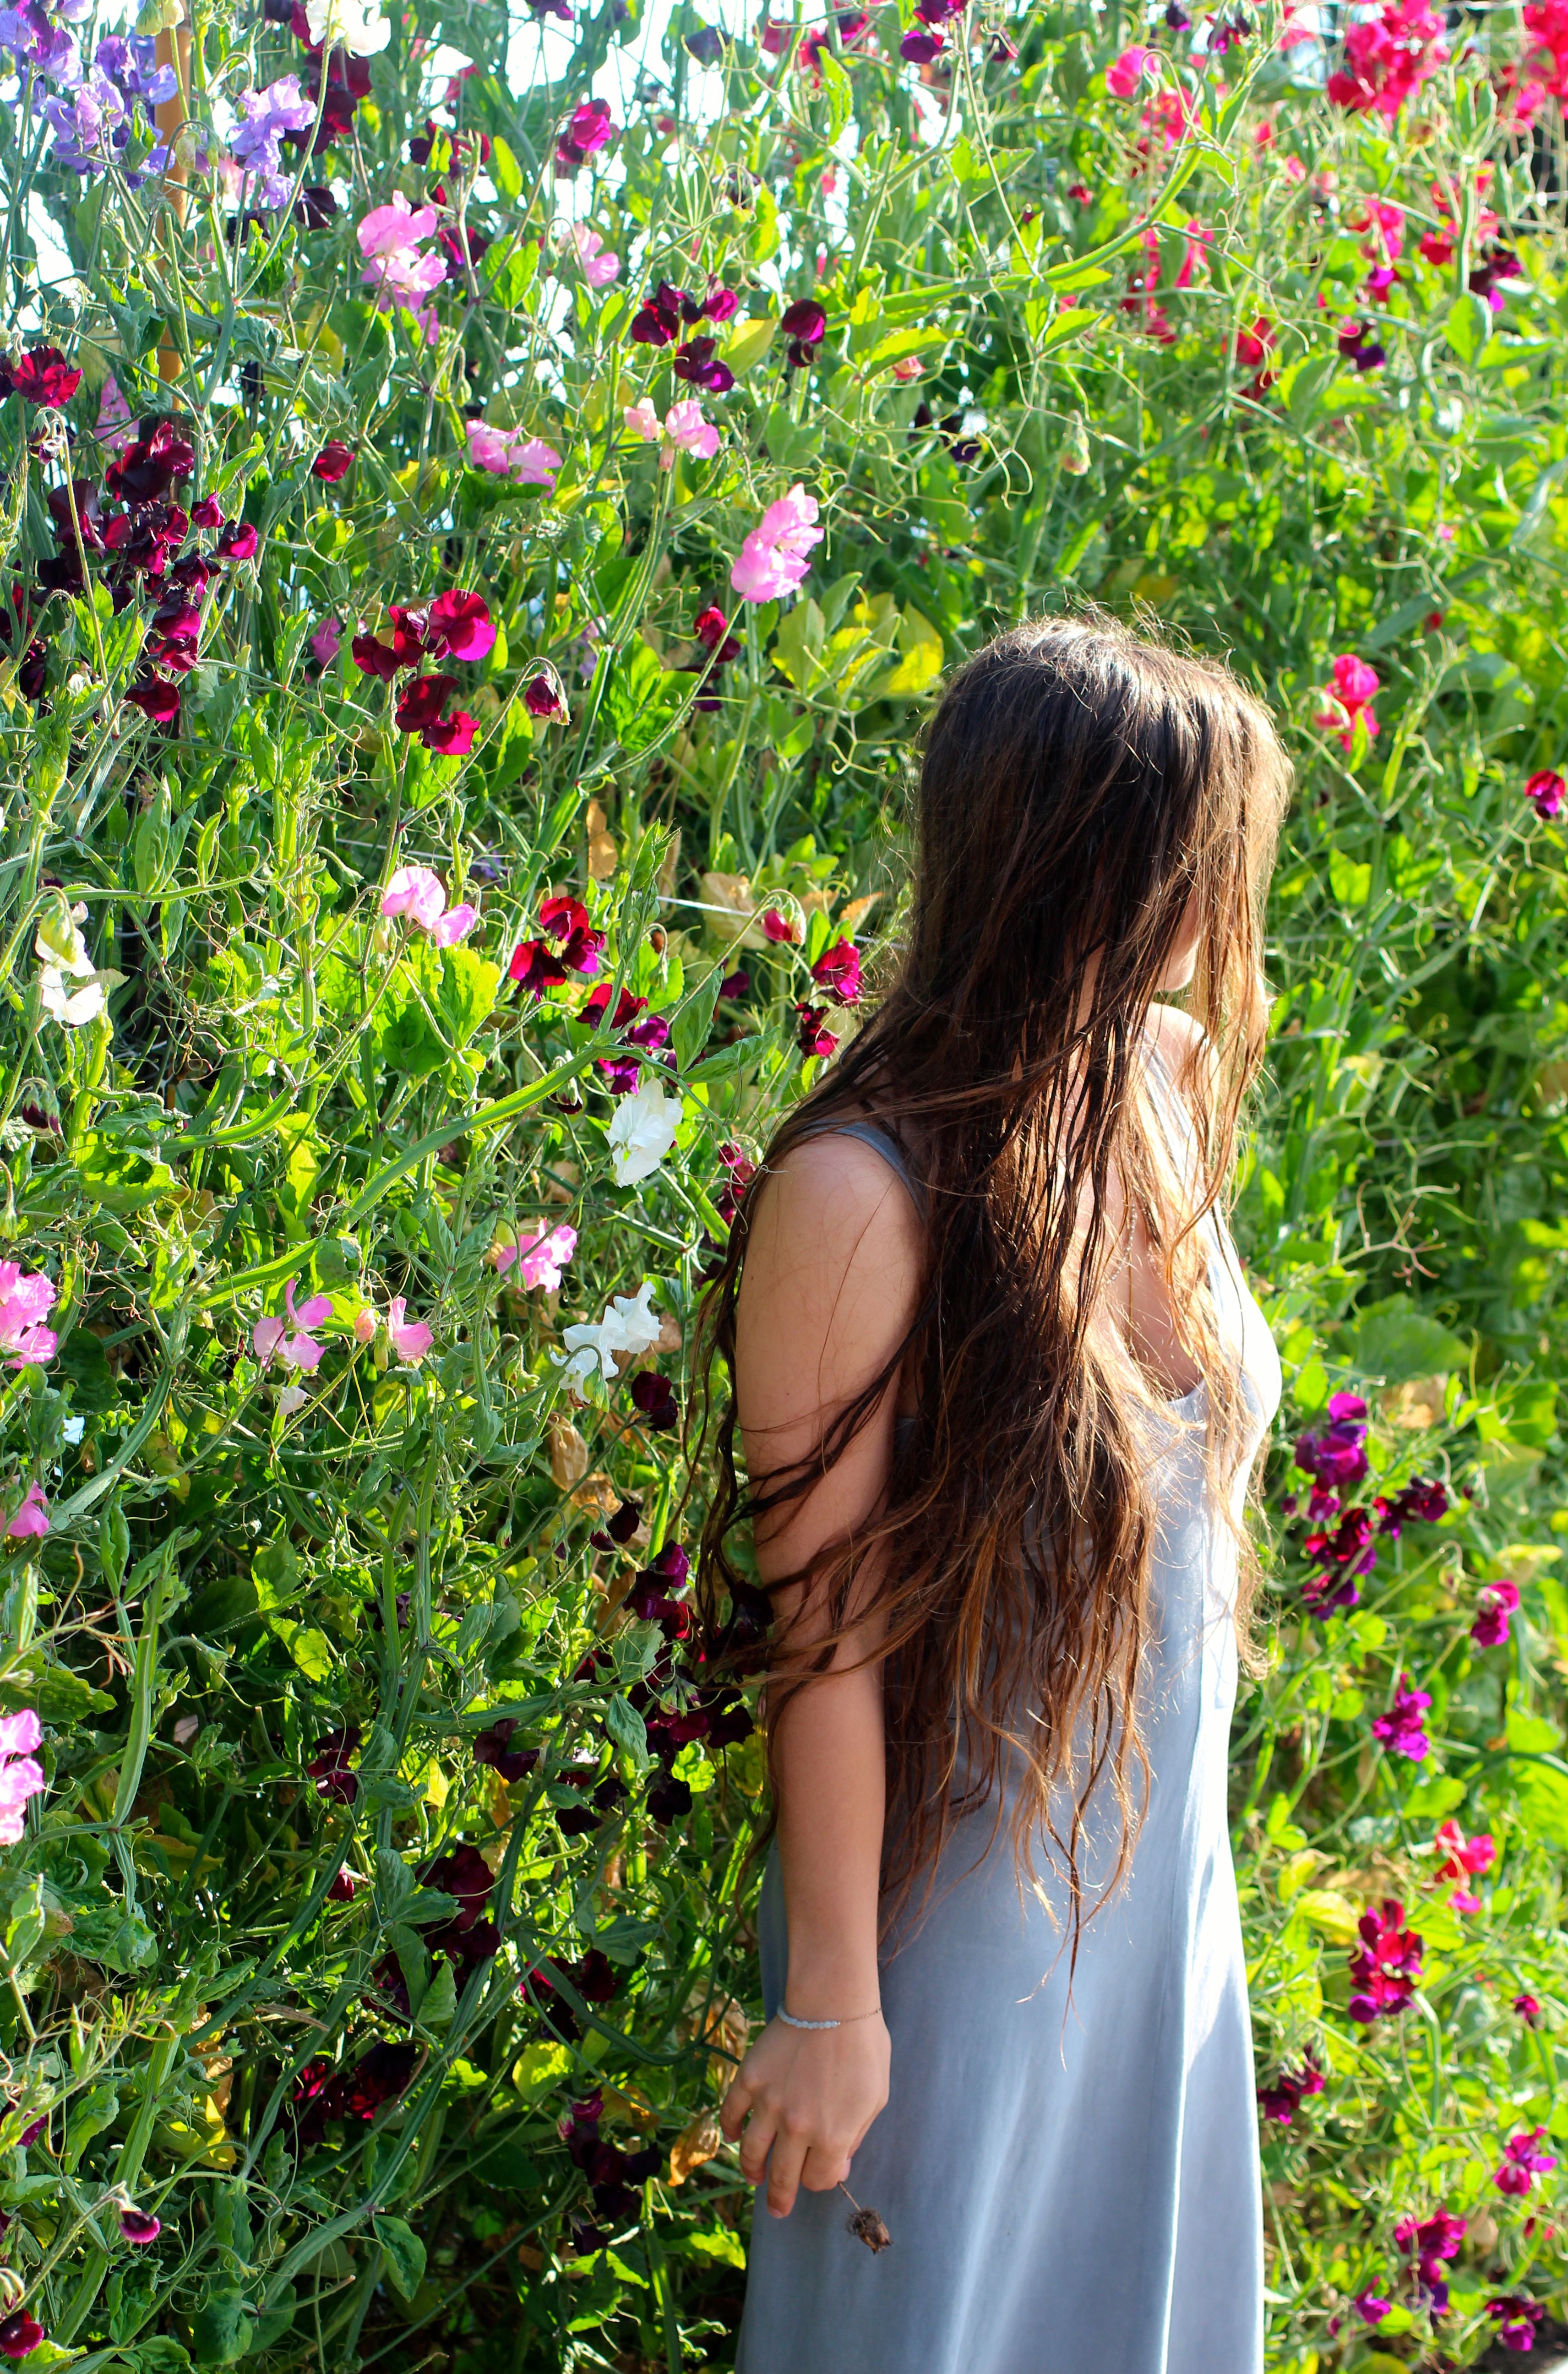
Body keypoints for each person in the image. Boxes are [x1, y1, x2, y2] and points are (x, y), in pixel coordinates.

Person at [696, 614, 1292, 2374]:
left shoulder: (1167, 1086)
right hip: (957, 1940)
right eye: (1210, 853)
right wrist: (831, 2000)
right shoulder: (862, 1187)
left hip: (1163, 1901)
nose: (1232, 898)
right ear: (1096, 861)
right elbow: (824, 1630)